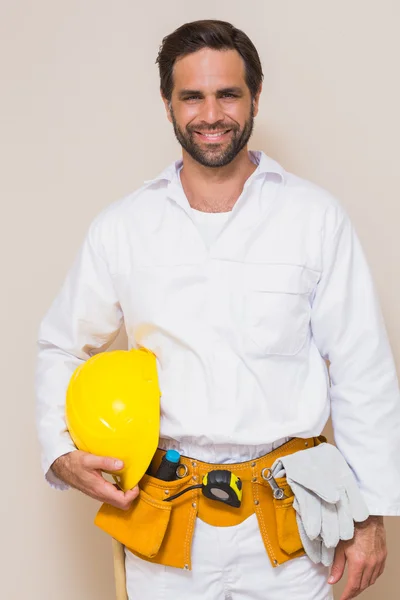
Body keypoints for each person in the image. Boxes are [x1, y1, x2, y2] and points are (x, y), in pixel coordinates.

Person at [36, 19, 400, 600]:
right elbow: (60, 343)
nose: (211, 114)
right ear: (167, 105)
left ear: (255, 96)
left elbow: (363, 369)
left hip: (290, 523)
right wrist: (60, 452)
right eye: (192, 97)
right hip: (165, 521)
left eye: (228, 94)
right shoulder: (124, 227)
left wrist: (371, 517)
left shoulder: (314, 217)